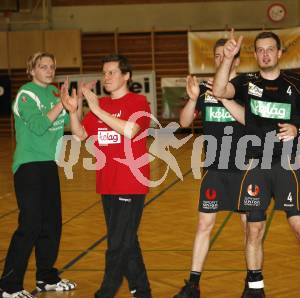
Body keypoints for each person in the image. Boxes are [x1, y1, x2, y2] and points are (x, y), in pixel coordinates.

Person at [212, 30, 300, 298]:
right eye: (260, 50)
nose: (265, 54)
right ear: (255, 55)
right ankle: (256, 289)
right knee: (253, 230)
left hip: (286, 164)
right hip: (255, 164)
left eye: (270, 49)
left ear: (279, 53)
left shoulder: (296, 82)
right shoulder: (245, 81)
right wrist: (228, 60)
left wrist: (298, 129)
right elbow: (219, 90)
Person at [62, 54, 152, 297]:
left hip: (130, 183)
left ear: (126, 76)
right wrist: (73, 110)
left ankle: (106, 292)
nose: (107, 77)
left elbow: (131, 130)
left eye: (112, 72)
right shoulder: (102, 105)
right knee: (126, 242)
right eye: (104, 73)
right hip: (107, 184)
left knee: (117, 245)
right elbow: (80, 134)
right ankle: (142, 291)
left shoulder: (138, 102)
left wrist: (97, 109)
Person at [174, 38, 248, 298]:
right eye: (217, 56)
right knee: (204, 224)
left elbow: (251, 120)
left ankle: (253, 283)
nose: (220, 59)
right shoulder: (205, 90)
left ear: (236, 59)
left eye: (225, 55)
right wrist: (194, 99)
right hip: (214, 167)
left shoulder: (248, 87)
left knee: (249, 227)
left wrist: (223, 98)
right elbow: (183, 123)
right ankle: (193, 284)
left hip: (245, 167)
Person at [0, 52, 77, 298]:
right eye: (43, 66)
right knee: (30, 225)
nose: (49, 70)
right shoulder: (26, 94)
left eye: (52, 66)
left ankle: (46, 277)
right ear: (31, 70)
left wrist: (74, 104)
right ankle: (9, 285)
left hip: (48, 165)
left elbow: (67, 127)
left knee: (52, 225)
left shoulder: (55, 93)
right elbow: (39, 125)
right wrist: (60, 104)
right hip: (28, 166)